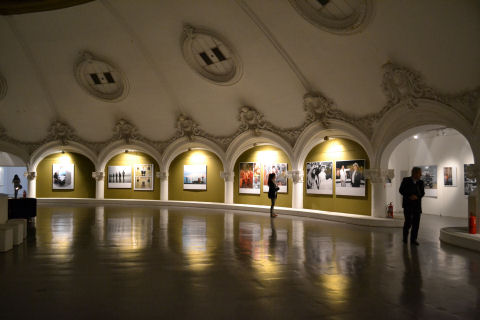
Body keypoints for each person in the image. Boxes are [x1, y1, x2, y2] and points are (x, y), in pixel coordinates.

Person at [399, 167, 425, 245]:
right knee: (408, 222)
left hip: (417, 206)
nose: (421, 175)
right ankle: (405, 238)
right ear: (415, 173)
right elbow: (401, 190)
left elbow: (422, 193)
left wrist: (417, 196)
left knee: (416, 224)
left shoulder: (420, 182)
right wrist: (409, 196)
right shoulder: (406, 180)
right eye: (419, 173)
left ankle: (413, 240)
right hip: (408, 205)